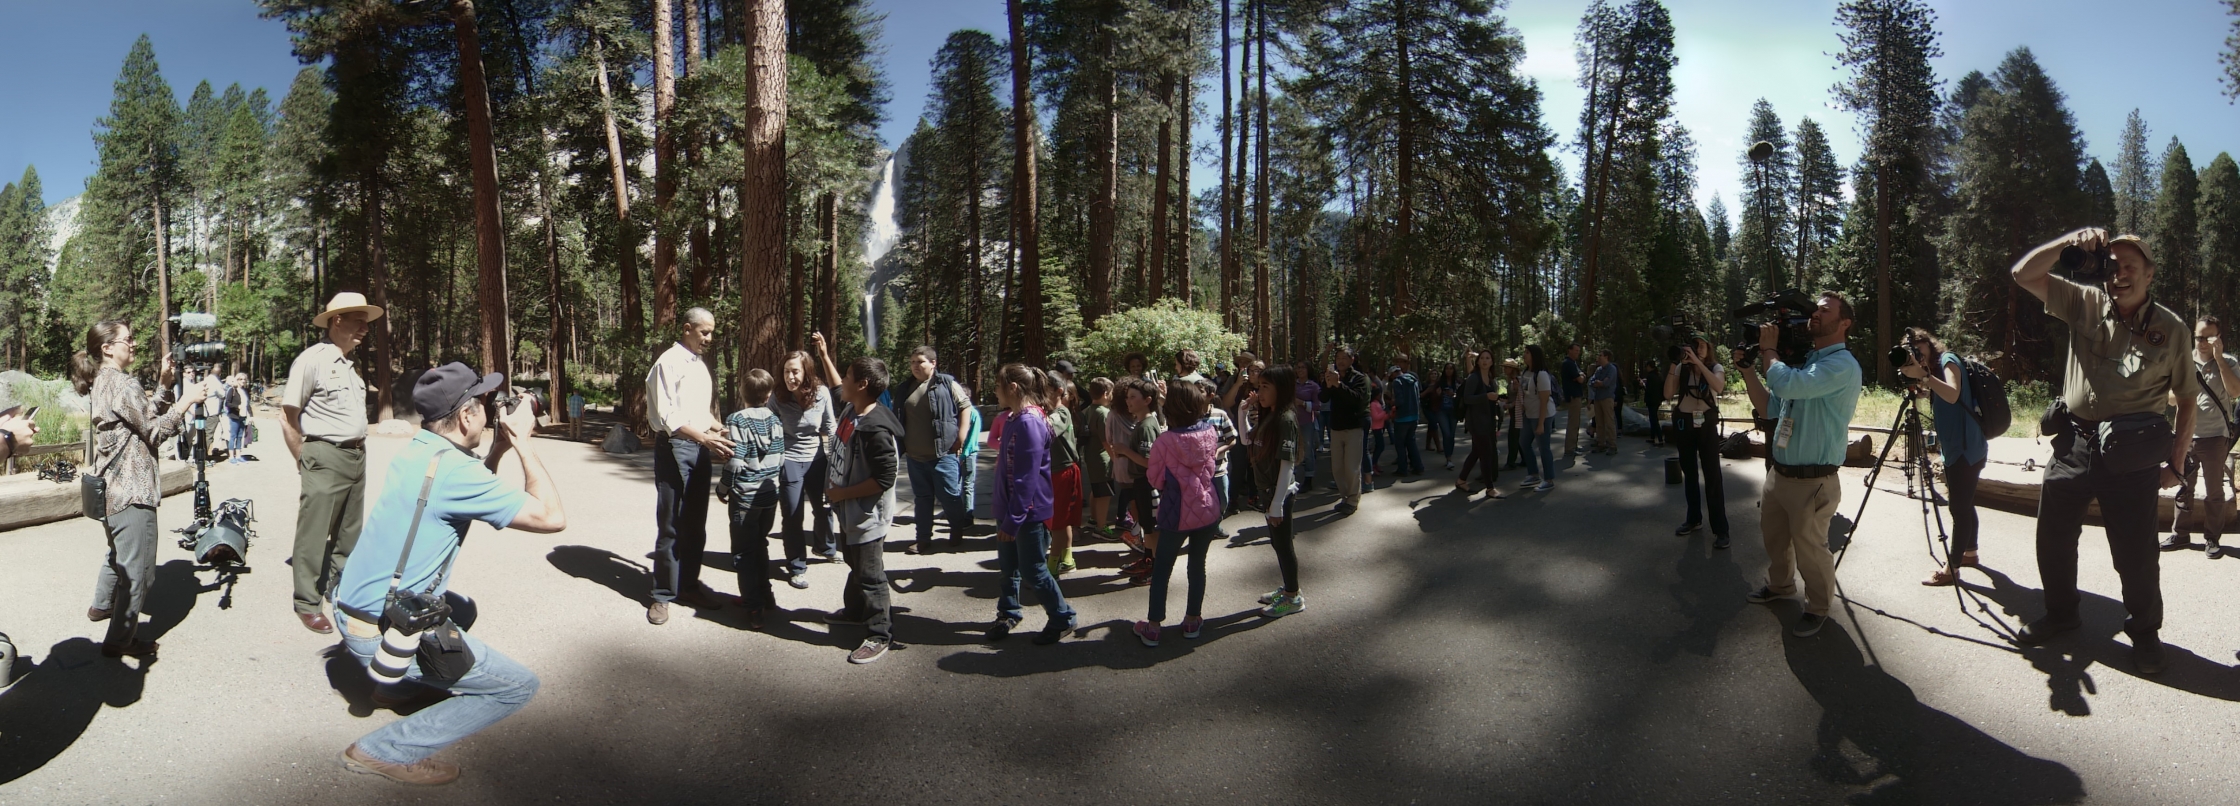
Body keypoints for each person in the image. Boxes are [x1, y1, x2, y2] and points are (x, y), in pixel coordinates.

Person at [333, 362, 566, 786]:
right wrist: (525, 444)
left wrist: (498, 450)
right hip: (382, 628)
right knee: (516, 687)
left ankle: (393, 687)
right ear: (465, 416)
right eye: (484, 403)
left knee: (461, 606)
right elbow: (551, 518)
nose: (490, 409)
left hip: (355, 606)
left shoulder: (422, 449)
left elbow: (470, 490)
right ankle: (381, 750)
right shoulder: (457, 473)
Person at [2008, 229, 2192, 673]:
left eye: (2131, 267)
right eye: (2113, 265)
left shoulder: (2171, 329)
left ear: (2149, 275)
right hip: (2073, 443)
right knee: (2052, 537)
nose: (2120, 274)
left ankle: (2145, 633)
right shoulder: (2083, 302)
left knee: (2135, 552)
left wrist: (2177, 463)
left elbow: (2187, 398)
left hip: (2132, 456)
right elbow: (2022, 273)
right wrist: (2068, 240)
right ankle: (2062, 613)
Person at [75, 321, 211, 659]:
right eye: (128, 339)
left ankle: (101, 606)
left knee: (116, 553)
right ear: (107, 347)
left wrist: (164, 386)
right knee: (139, 574)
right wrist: (186, 402)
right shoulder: (123, 382)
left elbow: (140, 418)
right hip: (132, 490)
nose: (134, 344)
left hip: (111, 490)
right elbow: (154, 432)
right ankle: (120, 640)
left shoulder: (103, 381)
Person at [1736, 292, 1864, 639]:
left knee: (1811, 550)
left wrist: (1768, 350)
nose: (1816, 314)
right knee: (1775, 539)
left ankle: (1818, 607)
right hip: (1781, 473)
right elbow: (1770, 409)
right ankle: (1780, 586)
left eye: (1825, 310)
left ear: (1845, 322)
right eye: (1815, 310)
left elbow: (1787, 383)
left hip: (1814, 479)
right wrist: (1749, 371)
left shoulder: (1841, 366)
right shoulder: (1807, 363)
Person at [280, 292, 380, 635]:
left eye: (366, 322)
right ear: (337, 320)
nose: (365, 328)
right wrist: (304, 460)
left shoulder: (348, 365)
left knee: (349, 533)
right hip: (324, 454)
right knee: (313, 533)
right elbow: (287, 416)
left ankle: (340, 589)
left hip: (356, 455)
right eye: (358, 320)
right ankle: (307, 602)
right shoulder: (312, 360)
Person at [810, 333, 906, 664]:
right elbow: (838, 390)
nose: (844, 383)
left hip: (867, 514)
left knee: (870, 573)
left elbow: (884, 479)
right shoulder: (855, 407)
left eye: (850, 376)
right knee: (854, 563)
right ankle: (854, 612)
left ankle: (880, 633)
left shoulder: (876, 429)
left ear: (862, 384)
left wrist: (841, 493)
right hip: (848, 510)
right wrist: (824, 355)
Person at [645, 308, 734, 625]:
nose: (709, 339)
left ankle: (689, 586)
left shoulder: (698, 364)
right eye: (704, 332)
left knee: (695, 523)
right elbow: (670, 418)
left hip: (698, 446)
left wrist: (718, 429)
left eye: (711, 333)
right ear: (687, 329)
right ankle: (662, 596)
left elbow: (698, 410)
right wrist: (706, 439)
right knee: (671, 524)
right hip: (675, 447)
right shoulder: (667, 363)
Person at [987, 364, 1077, 644]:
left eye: (998, 385)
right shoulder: (1015, 417)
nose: (995, 390)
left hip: (1026, 514)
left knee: (1034, 570)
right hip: (1010, 511)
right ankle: (1009, 612)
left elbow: (1026, 479)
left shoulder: (1029, 421)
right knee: (1008, 568)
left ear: (1013, 388)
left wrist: (1013, 520)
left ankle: (1063, 617)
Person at [1134, 380, 1223, 646]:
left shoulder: (1164, 441)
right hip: (1207, 509)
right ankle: (1192, 620)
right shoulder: (1210, 432)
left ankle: (1152, 626)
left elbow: (1155, 478)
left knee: (1162, 568)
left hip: (1176, 513)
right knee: (1198, 566)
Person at [1899, 328, 1989, 586]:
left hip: (1966, 448)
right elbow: (1939, 394)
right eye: (1911, 354)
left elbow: (1952, 393)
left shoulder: (1948, 360)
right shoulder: (1934, 370)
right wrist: (1920, 384)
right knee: (1965, 501)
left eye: (1918, 350)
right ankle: (1970, 553)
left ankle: (1952, 568)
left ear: (1928, 345)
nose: (1917, 356)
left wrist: (1924, 376)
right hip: (1957, 447)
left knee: (1958, 507)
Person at [2166, 316, 2240, 558]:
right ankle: (2180, 534)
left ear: (2218, 338)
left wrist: (2219, 360)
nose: (2203, 342)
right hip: (2185, 435)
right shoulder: (2183, 360)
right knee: (2183, 487)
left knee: (2214, 492)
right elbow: (2169, 398)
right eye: (2199, 337)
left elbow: (2235, 391)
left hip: (2215, 437)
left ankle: (2212, 538)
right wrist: (2184, 391)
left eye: (2209, 337)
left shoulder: (2229, 362)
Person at [720, 369, 786, 629]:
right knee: (761, 544)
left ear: (741, 392)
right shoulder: (776, 420)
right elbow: (781, 457)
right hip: (769, 496)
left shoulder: (737, 420)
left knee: (743, 552)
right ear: (769, 394)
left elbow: (736, 461)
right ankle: (766, 596)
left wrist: (724, 488)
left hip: (745, 498)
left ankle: (753, 607)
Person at [894, 346, 973, 555]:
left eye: (920, 361)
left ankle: (956, 529)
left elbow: (966, 406)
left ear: (933, 363)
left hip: (943, 454)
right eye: (912, 362)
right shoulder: (905, 388)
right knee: (922, 499)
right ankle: (923, 539)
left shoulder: (946, 383)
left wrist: (961, 437)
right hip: (915, 456)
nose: (915, 366)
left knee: (950, 496)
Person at [772, 350, 838, 588]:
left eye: (795, 371)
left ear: (806, 372)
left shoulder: (822, 394)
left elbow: (831, 426)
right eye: (786, 371)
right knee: (792, 515)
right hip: (789, 458)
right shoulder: (777, 396)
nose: (790, 377)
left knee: (824, 509)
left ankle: (825, 547)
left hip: (817, 458)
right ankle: (797, 566)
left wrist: (834, 461)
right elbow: (769, 426)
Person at [1251, 367, 1309, 618]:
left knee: (1284, 545)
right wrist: (1245, 414)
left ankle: (1293, 597)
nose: (1259, 391)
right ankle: (1287, 590)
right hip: (1269, 493)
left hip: (1279, 494)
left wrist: (1277, 505)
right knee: (1277, 543)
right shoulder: (1270, 415)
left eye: (1266, 387)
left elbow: (1287, 465)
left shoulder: (1285, 419)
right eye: (1259, 386)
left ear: (1281, 389)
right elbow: (1246, 440)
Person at [1667, 336, 1731, 549]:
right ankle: (1693, 519)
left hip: (1706, 425)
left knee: (1712, 475)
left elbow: (1719, 386)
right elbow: (1668, 393)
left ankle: (1721, 529)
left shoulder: (1715, 367)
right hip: (1684, 422)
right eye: (1694, 346)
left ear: (1708, 348)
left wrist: (1698, 363)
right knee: (1689, 472)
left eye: (1701, 346)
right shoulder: (1681, 369)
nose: (1698, 349)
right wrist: (1675, 363)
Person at [1110, 379, 1166, 584]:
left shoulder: (1146, 426)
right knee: (1146, 525)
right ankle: (1148, 559)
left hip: (1147, 482)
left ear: (1148, 400)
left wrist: (1125, 451)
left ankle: (1156, 569)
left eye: (1133, 397)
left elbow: (1149, 461)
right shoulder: (1142, 423)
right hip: (1141, 482)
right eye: (1127, 397)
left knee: (1151, 528)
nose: (1128, 401)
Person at [1044, 374, 1085, 575]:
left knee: (1059, 521)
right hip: (1056, 471)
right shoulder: (1051, 411)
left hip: (1063, 472)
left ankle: (1051, 566)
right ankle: (1067, 558)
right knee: (1062, 519)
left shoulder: (1061, 413)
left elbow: (1046, 428)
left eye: (1045, 391)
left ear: (1059, 392)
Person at [1325, 347, 1372, 515]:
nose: (1341, 361)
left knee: (1351, 466)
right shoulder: (1333, 376)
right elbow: (1323, 398)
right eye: (1338, 358)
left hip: (1354, 428)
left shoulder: (1360, 378)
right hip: (1336, 427)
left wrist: (1339, 385)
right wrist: (1328, 384)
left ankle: (1352, 500)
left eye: (1344, 357)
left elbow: (1358, 400)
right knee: (1337, 467)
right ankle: (1344, 497)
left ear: (1352, 359)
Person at [1456, 350, 1505, 498]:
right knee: (1486, 453)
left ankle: (1461, 479)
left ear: (1492, 361)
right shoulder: (1474, 377)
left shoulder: (1490, 378)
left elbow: (1490, 398)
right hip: (1476, 422)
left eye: (1488, 358)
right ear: (1478, 362)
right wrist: (1486, 396)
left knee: (1477, 451)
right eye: (1482, 358)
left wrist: (1497, 399)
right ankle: (1490, 488)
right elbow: (1467, 398)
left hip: (1488, 420)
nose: (1484, 361)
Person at [1077, 378, 1116, 540]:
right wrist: (1116, 458)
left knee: (1096, 489)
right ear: (1106, 394)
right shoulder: (1103, 413)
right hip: (1102, 459)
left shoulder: (1089, 410)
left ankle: (1094, 519)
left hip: (1091, 457)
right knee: (1104, 494)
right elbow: (1106, 440)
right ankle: (1101, 527)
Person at [1516, 346, 1558, 492]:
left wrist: (1540, 424)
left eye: (1527, 353)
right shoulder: (1526, 372)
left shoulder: (1541, 375)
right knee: (1523, 442)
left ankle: (1549, 479)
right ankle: (1533, 474)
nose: (1524, 355)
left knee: (1543, 447)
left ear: (1534, 355)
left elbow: (1544, 399)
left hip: (1543, 416)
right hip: (1529, 414)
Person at [1387, 358, 1425, 477]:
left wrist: (1393, 403)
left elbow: (1400, 400)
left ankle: (1402, 469)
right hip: (1414, 416)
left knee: (1400, 444)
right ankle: (1418, 466)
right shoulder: (1413, 380)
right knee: (1411, 442)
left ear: (1394, 374)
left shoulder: (1397, 382)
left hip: (1402, 417)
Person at [957, 387, 984, 531]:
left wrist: (963, 455)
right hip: (959, 454)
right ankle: (958, 513)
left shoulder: (972, 414)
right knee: (956, 484)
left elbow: (972, 438)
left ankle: (968, 516)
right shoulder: (960, 413)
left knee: (967, 485)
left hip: (969, 454)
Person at [1293, 362, 1322, 490]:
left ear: (1308, 370)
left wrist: (1303, 403)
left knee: (1308, 451)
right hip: (1292, 422)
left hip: (1307, 423)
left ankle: (1309, 479)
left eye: (1303, 367)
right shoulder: (1292, 385)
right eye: (1298, 367)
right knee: (1292, 450)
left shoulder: (1313, 386)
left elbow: (1317, 406)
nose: (1300, 370)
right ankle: (1291, 479)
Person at [1589, 350, 1620, 455]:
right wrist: (1597, 383)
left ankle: (1612, 445)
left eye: (1600, 355)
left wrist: (1601, 383)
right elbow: (1591, 381)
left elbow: (1607, 383)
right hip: (1598, 398)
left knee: (1609, 422)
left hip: (1607, 398)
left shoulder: (1612, 369)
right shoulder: (1598, 370)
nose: (1598, 357)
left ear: (1606, 357)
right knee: (1599, 422)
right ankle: (1600, 443)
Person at [1429, 364, 1458, 471]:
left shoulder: (1457, 382)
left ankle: (1450, 455)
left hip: (1453, 411)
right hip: (1442, 411)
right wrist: (1437, 394)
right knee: (1446, 433)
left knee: (1452, 435)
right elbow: (1432, 397)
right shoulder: (1439, 383)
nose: (1449, 371)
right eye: (1447, 368)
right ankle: (1448, 459)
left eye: (1451, 368)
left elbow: (1461, 396)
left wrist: (1454, 395)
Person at [1561, 343, 1588, 456]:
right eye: (1576, 350)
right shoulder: (1569, 364)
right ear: (1569, 350)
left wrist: (1581, 375)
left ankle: (1573, 445)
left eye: (1578, 351)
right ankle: (1570, 448)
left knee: (1575, 422)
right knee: (1573, 423)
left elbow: (1581, 376)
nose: (1578, 353)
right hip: (1573, 396)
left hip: (1575, 395)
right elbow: (1580, 379)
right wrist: (1581, 376)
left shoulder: (1573, 363)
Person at [1503, 359, 1526, 469]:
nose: (1504, 369)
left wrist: (1510, 405)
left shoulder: (1517, 380)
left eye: (1507, 367)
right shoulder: (1511, 380)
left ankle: (1511, 462)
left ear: (1512, 369)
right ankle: (1525, 459)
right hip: (1515, 412)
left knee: (1513, 437)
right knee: (1517, 436)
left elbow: (1520, 397)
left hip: (1518, 412)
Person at [225, 371, 253, 463]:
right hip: (234, 416)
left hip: (243, 416)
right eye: (241, 379)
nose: (243, 381)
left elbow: (248, 404)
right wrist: (237, 407)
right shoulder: (232, 390)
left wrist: (251, 416)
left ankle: (238, 455)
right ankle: (231, 456)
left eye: (244, 379)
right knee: (233, 436)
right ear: (236, 380)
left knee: (240, 436)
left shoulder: (245, 391)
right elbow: (227, 403)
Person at [1639, 357, 1665, 447]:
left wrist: (1643, 385)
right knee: (1653, 418)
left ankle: (1660, 439)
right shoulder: (1658, 376)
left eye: (1646, 366)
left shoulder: (1650, 376)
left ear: (1650, 367)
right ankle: (1652, 437)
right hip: (1657, 400)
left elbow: (1649, 390)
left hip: (1651, 400)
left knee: (1653, 419)